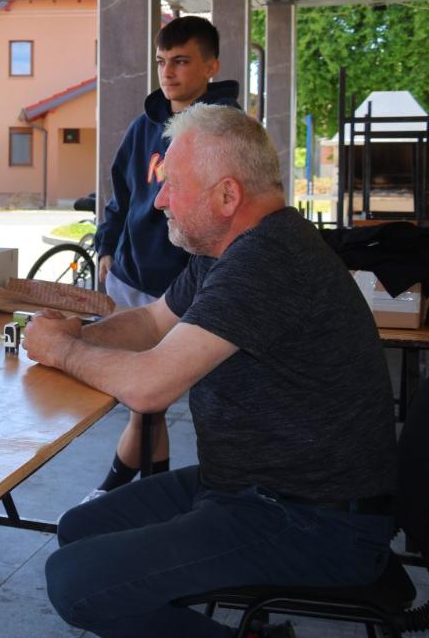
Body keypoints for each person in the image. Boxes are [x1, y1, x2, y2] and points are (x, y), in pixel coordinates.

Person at [24, 104, 397, 638]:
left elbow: (150, 387)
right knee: (80, 528)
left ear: (227, 196)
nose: (159, 200)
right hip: (248, 484)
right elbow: (152, 322)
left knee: (74, 583)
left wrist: (62, 352)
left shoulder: (268, 260)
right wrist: (76, 336)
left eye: (173, 185)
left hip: (318, 520)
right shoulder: (227, 249)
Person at [86, 15, 240, 501]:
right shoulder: (144, 126)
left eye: (181, 61)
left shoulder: (226, 131)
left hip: (186, 288)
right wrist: (106, 246)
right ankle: (136, 497)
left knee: (149, 397)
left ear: (211, 66)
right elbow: (121, 194)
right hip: (131, 279)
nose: (168, 73)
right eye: (161, 62)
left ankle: (117, 493)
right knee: (144, 403)